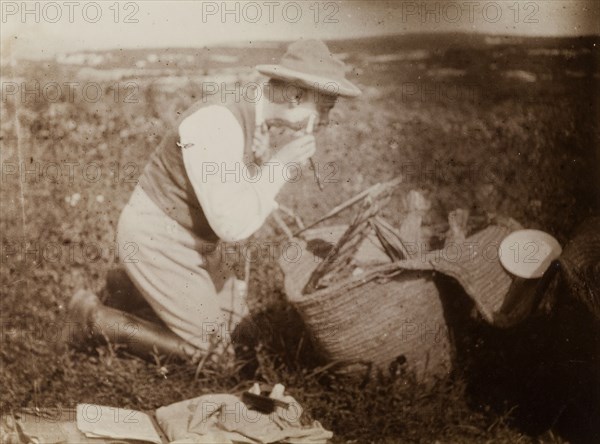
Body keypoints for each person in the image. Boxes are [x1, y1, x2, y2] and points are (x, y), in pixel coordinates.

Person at [70, 39, 361, 361]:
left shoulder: (253, 116)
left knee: (242, 333)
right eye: (323, 109)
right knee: (215, 356)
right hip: (157, 238)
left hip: (193, 242)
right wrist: (280, 166)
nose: (323, 122)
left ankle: (128, 290)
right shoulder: (216, 123)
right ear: (295, 96)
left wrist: (263, 165)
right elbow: (232, 226)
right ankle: (93, 320)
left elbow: (230, 197)